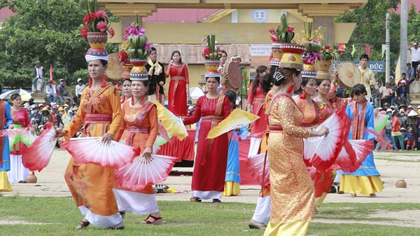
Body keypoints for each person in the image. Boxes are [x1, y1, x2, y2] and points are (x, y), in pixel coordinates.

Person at [55, 47, 124, 229]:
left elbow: (118, 114)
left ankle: (111, 220)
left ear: (104, 68)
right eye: (90, 66)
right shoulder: (85, 91)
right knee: (71, 174)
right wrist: (66, 131)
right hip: (86, 137)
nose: (92, 69)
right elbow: (79, 117)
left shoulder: (111, 91)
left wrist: (112, 132)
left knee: (99, 178)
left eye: (96, 65)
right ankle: (89, 213)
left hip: (103, 138)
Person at [264, 65, 328, 236]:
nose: (302, 81)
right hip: (285, 146)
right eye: (300, 77)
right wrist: (315, 132)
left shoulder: (279, 96)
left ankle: (280, 229)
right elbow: (289, 128)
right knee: (304, 188)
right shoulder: (284, 99)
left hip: (283, 144)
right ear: (294, 78)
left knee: (284, 187)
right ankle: (291, 231)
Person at [113, 78, 163, 225]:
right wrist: (113, 142)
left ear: (145, 88)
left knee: (142, 181)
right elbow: (121, 126)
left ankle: (155, 214)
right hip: (127, 144)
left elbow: (154, 128)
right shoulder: (125, 105)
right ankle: (120, 209)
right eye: (132, 85)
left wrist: (149, 146)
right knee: (119, 178)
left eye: (138, 85)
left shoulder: (150, 107)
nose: (135, 88)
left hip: (143, 146)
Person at [183, 76, 231, 203]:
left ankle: (216, 194)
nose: (211, 84)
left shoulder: (223, 99)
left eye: (213, 82)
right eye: (209, 82)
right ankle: (197, 193)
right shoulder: (201, 99)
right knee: (201, 160)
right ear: (206, 83)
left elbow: (228, 117)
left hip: (219, 133)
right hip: (204, 132)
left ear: (218, 83)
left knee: (217, 161)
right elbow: (194, 118)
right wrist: (182, 120)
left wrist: (230, 128)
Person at [339, 84, 384, 197]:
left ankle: (370, 190)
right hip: (350, 136)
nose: (356, 97)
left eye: (359, 95)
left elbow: (370, 124)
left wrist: (370, 138)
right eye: (355, 95)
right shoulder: (349, 106)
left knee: (367, 161)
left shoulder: (369, 107)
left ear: (364, 93)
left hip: (364, 136)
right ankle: (352, 190)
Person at [247, 66, 270, 158]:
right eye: (263, 72)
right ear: (259, 73)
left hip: (266, 107)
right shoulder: (255, 83)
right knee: (256, 129)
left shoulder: (268, 82)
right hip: (257, 108)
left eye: (266, 71)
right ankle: (253, 154)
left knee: (266, 128)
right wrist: (249, 110)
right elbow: (250, 97)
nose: (265, 73)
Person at [7, 93, 30, 183]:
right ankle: (12, 177)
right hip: (12, 134)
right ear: (12, 101)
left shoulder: (24, 111)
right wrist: (9, 126)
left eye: (20, 99)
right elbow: (5, 121)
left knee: (22, 154)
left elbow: (28, 122)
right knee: (12, 154)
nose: (19, 101)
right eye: (16, 99)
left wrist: (29, 128)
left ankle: (22, 177)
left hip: (23, 134)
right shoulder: (8, 111)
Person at [222, 90, 241, 197]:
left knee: (232, 162)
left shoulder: (235, 111)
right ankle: (223, 187)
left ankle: (231, 188)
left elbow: (239, 127)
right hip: (223, 136)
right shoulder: (221, 109)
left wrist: (234, 127)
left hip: (232, 138)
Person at [166, 50, 190, 117]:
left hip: (182, 87)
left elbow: (187, 78)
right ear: (172, 57)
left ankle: (182, 118)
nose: (176, 57)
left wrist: (187, 90)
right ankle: (173, 117)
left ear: (179, 57)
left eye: (177, 56)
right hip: (173, 86)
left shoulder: (184, 66)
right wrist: (169, 65)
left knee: (181, 102)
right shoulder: (170, 66)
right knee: (172, 101)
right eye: (174, 56)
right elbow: (166, 75)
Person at [0, 83, 13, 192]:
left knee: (2, 157)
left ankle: (2, 184)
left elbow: (10, 119)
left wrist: (10, 124)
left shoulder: (5, 105)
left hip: (2, 134)